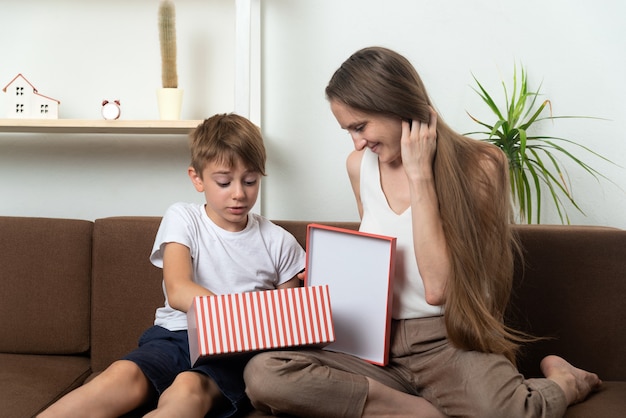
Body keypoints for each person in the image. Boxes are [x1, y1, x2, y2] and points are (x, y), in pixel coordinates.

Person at [243, 47, 602, 418]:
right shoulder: (359, 167)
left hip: (447, 343)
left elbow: (438, 288)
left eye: (360, 126)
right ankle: (414, 409)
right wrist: (332, 281)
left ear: (397, 106)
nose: (356, 142)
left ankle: (565, 381)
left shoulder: (482, 165)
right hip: (372, 344)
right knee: (264, 373)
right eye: (348, 130)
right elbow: (377, 261)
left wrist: (420, 176)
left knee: (510, 412)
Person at [38, 113, 306, 418]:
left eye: (250, 181)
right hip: (175, 335)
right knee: (119, 377)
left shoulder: (279, 242)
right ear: (197, 178)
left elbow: (287, 323)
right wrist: (239, 315)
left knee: (187, 392)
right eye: (223, 181)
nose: (239, 194)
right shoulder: (183, 217)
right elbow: (179, 290)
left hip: (233, 353)